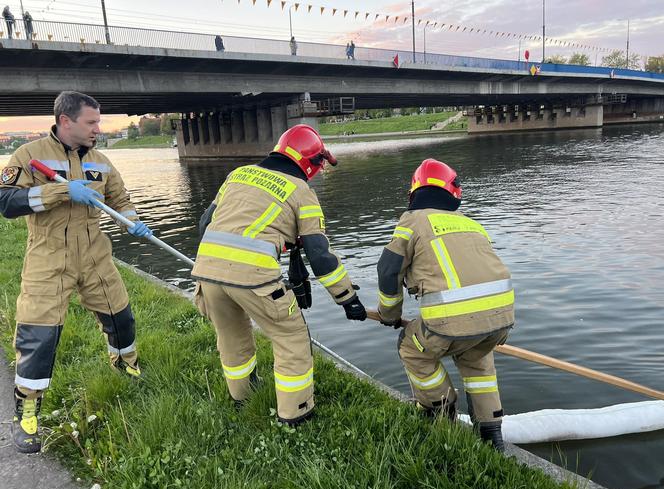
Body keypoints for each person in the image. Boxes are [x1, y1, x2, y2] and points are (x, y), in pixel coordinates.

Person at [0, 91, 153, 453]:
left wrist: (134, 222)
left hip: (95, 257)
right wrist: (60, 191)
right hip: (49, 258)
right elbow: (5, 201)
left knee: (121, 318)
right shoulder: (29, 156)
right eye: (91, 122)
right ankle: (28, 409)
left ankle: (125, 366)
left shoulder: (101, 162)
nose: (98, 129)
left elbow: (121, 200)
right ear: (65, 121)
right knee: (39, 334)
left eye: (99, 122)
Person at [193, 124, 367, 426]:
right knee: (291, 338)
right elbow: (320, 256)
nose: (319, 172)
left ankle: (242, 398)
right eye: (320, 164)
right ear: (309, 162)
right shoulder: (302, 192)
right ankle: (296, 414)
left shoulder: (238, 175)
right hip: (255, 279)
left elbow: (204, 223)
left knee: (232, 337)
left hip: (206, 273)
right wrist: (347, 297)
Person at [376, 159, 514, 451]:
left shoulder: (411, 221)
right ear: (454, 193)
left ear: (414, 192)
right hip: (500, 319)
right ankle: (492, 436)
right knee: (478, 360)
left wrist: (390, 315)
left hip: (449, 321)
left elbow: (388, 270)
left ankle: (441, 409)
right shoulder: (471, 223)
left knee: (412, 349)